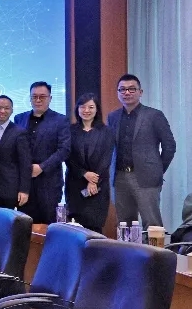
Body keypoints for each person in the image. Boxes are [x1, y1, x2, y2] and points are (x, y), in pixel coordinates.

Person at [107, 73, 176, 228]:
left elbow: (169, 146)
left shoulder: (154, 115)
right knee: (124, 225)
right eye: (122, 89)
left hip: (147, 178)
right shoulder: (113, 117)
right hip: (120, 178)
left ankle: (154, 247)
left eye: (132, 89)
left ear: (140, 92)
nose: (127, 92)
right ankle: (127, 246)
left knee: (152, 224)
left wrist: (157, 170)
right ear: (118, 93)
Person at [14, 82, 71, 224]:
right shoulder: (19, 118)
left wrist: (42, 167)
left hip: (49, 182)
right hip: (24, 183)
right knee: (24, 225)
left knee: (49, 225)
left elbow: (64, 150)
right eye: (34, 97)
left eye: (42, 97)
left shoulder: (61, 120)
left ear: (50, 98)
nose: (38, 100)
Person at [66, 94, 114, 231]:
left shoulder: (106, 131)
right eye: (82, 107)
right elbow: (68, 157)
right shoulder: (70, 130)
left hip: (98, 186)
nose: (86, 110)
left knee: (95, 227)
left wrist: (93, 181)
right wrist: (84, 173)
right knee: (75, 228)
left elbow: (106, 158)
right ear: (77, 109)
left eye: (91, 107)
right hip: (75, 183)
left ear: (97, 109)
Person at [0, 95, 32, 210]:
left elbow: (25, 164)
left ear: (12, 110)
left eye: (6, 108)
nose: (2, 111)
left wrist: (24, 190)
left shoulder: (19, 132)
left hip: (10, 188)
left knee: (8, 219)